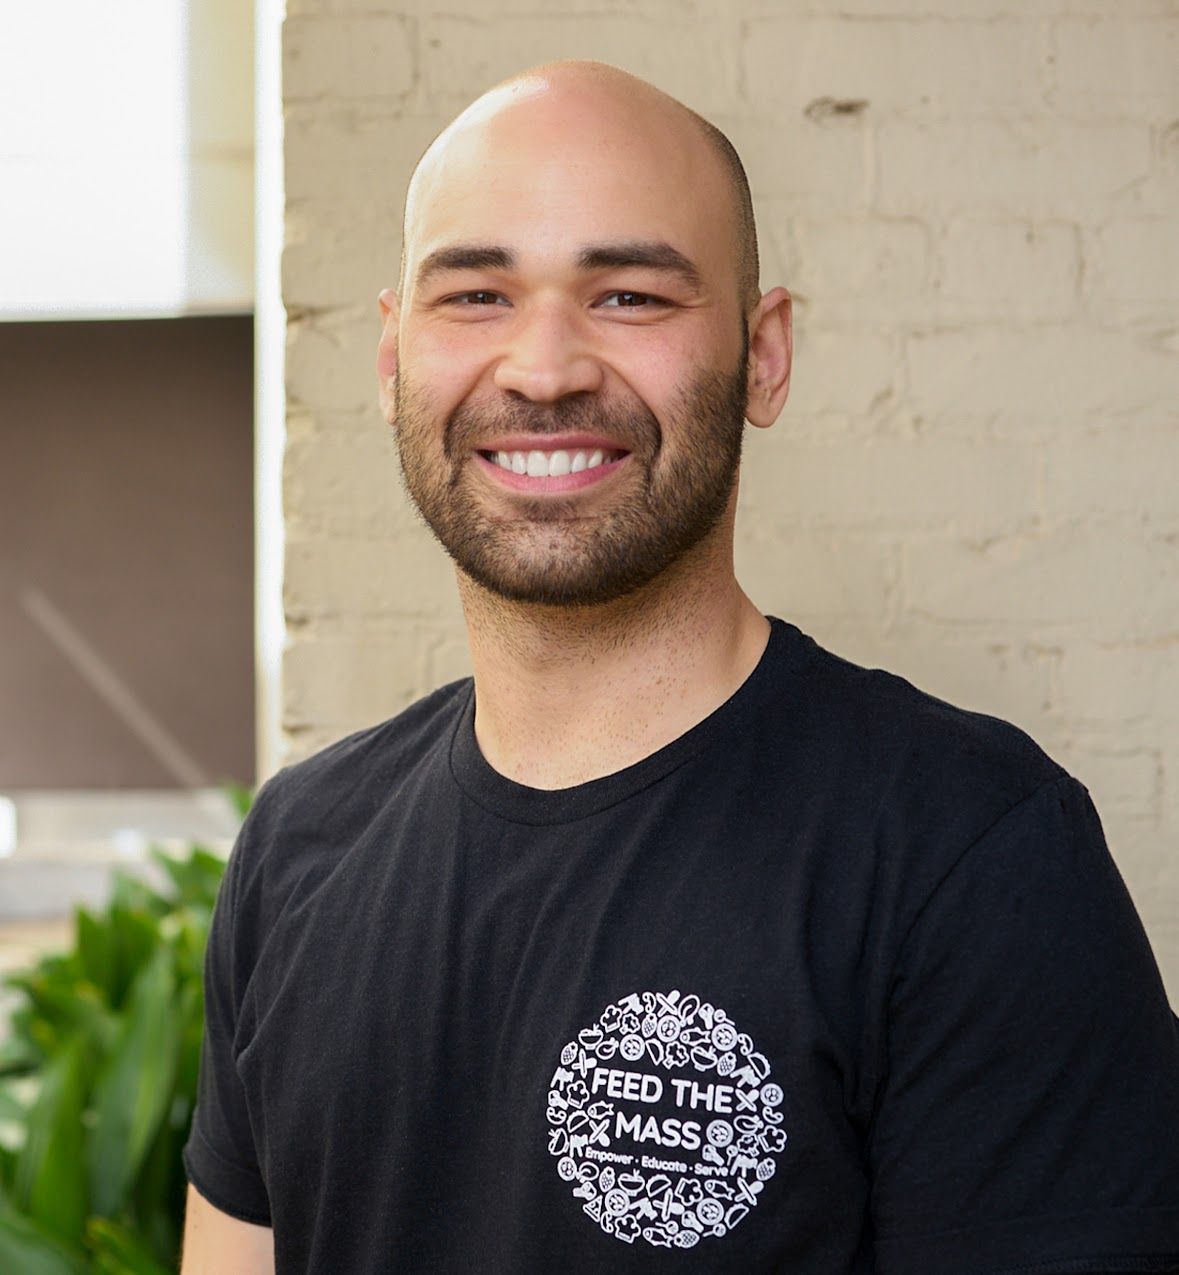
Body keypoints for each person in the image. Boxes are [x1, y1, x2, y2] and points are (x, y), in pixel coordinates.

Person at [180, 60, 1179, 1274]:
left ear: (763, 357)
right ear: (394, 360)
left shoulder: (972, 859)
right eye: (478, 295)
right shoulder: (298, 853)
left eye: (632, 297)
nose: (544, 369)